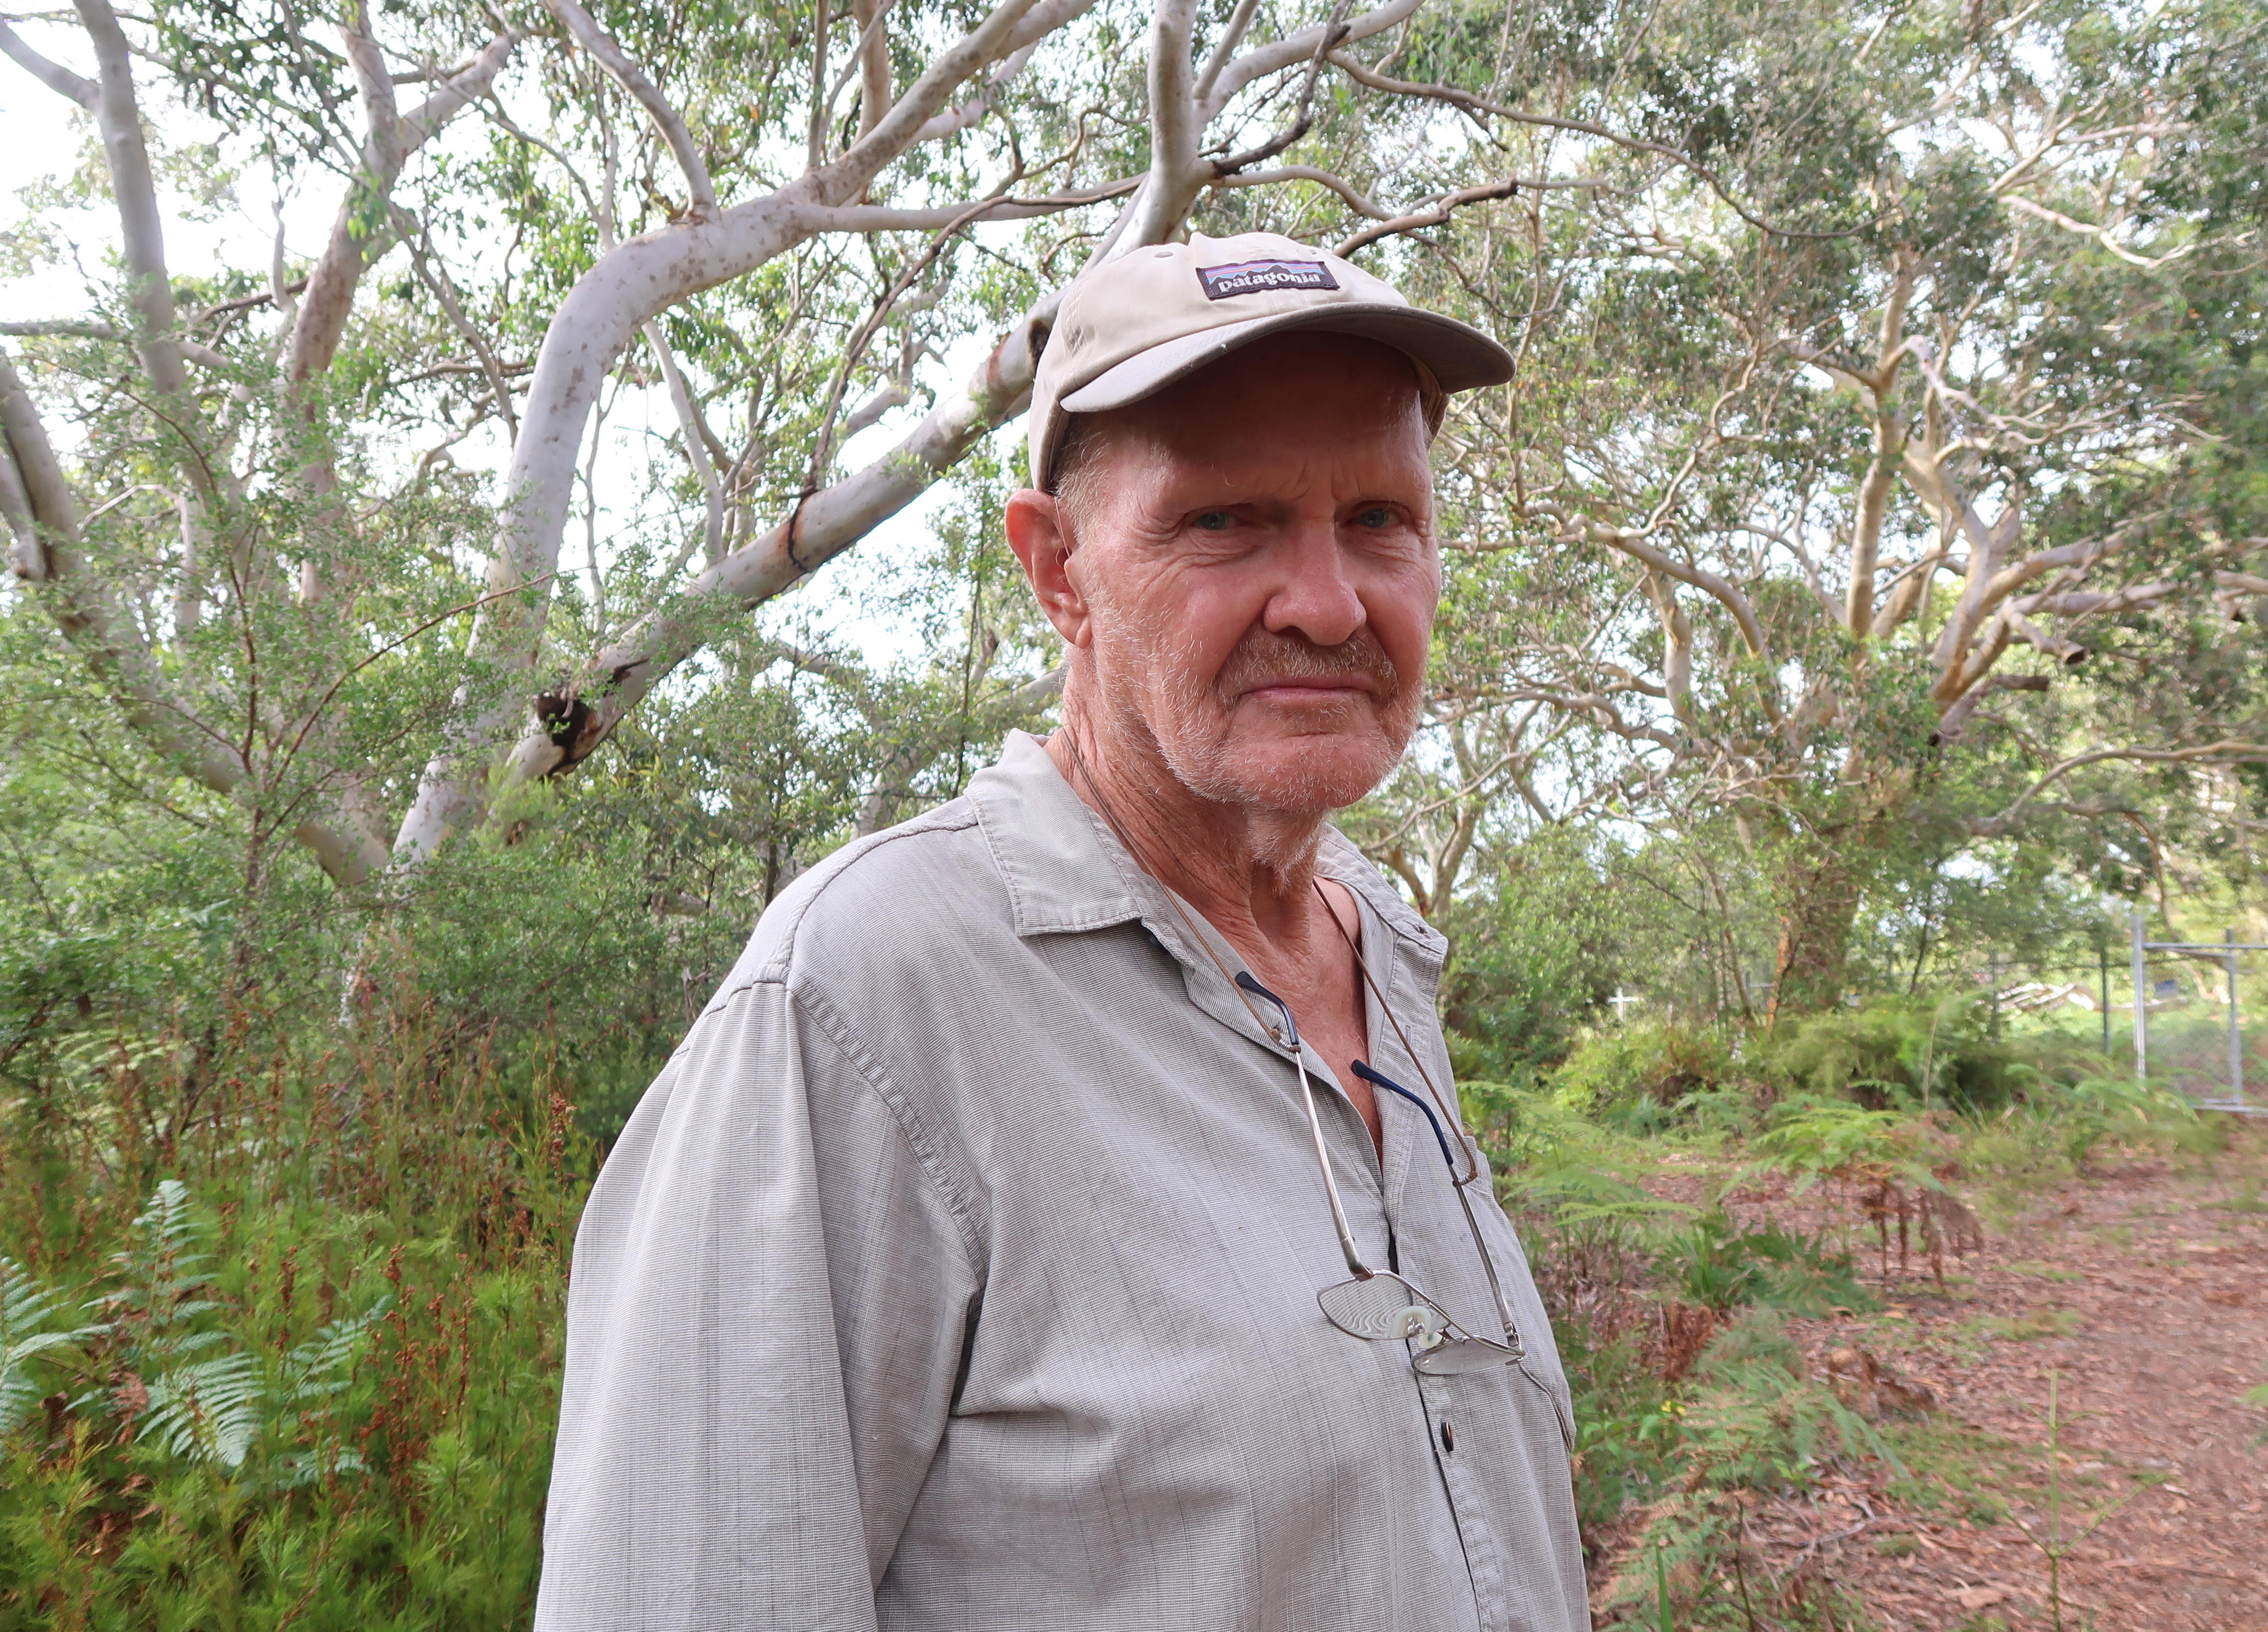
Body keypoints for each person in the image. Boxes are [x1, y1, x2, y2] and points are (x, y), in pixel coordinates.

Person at [534, 230, 1589, 1632]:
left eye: (1380, 521)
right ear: (1059, 572)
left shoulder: (1383, 952)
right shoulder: (861, 1000)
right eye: (1227, 521)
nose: (1329, 602)